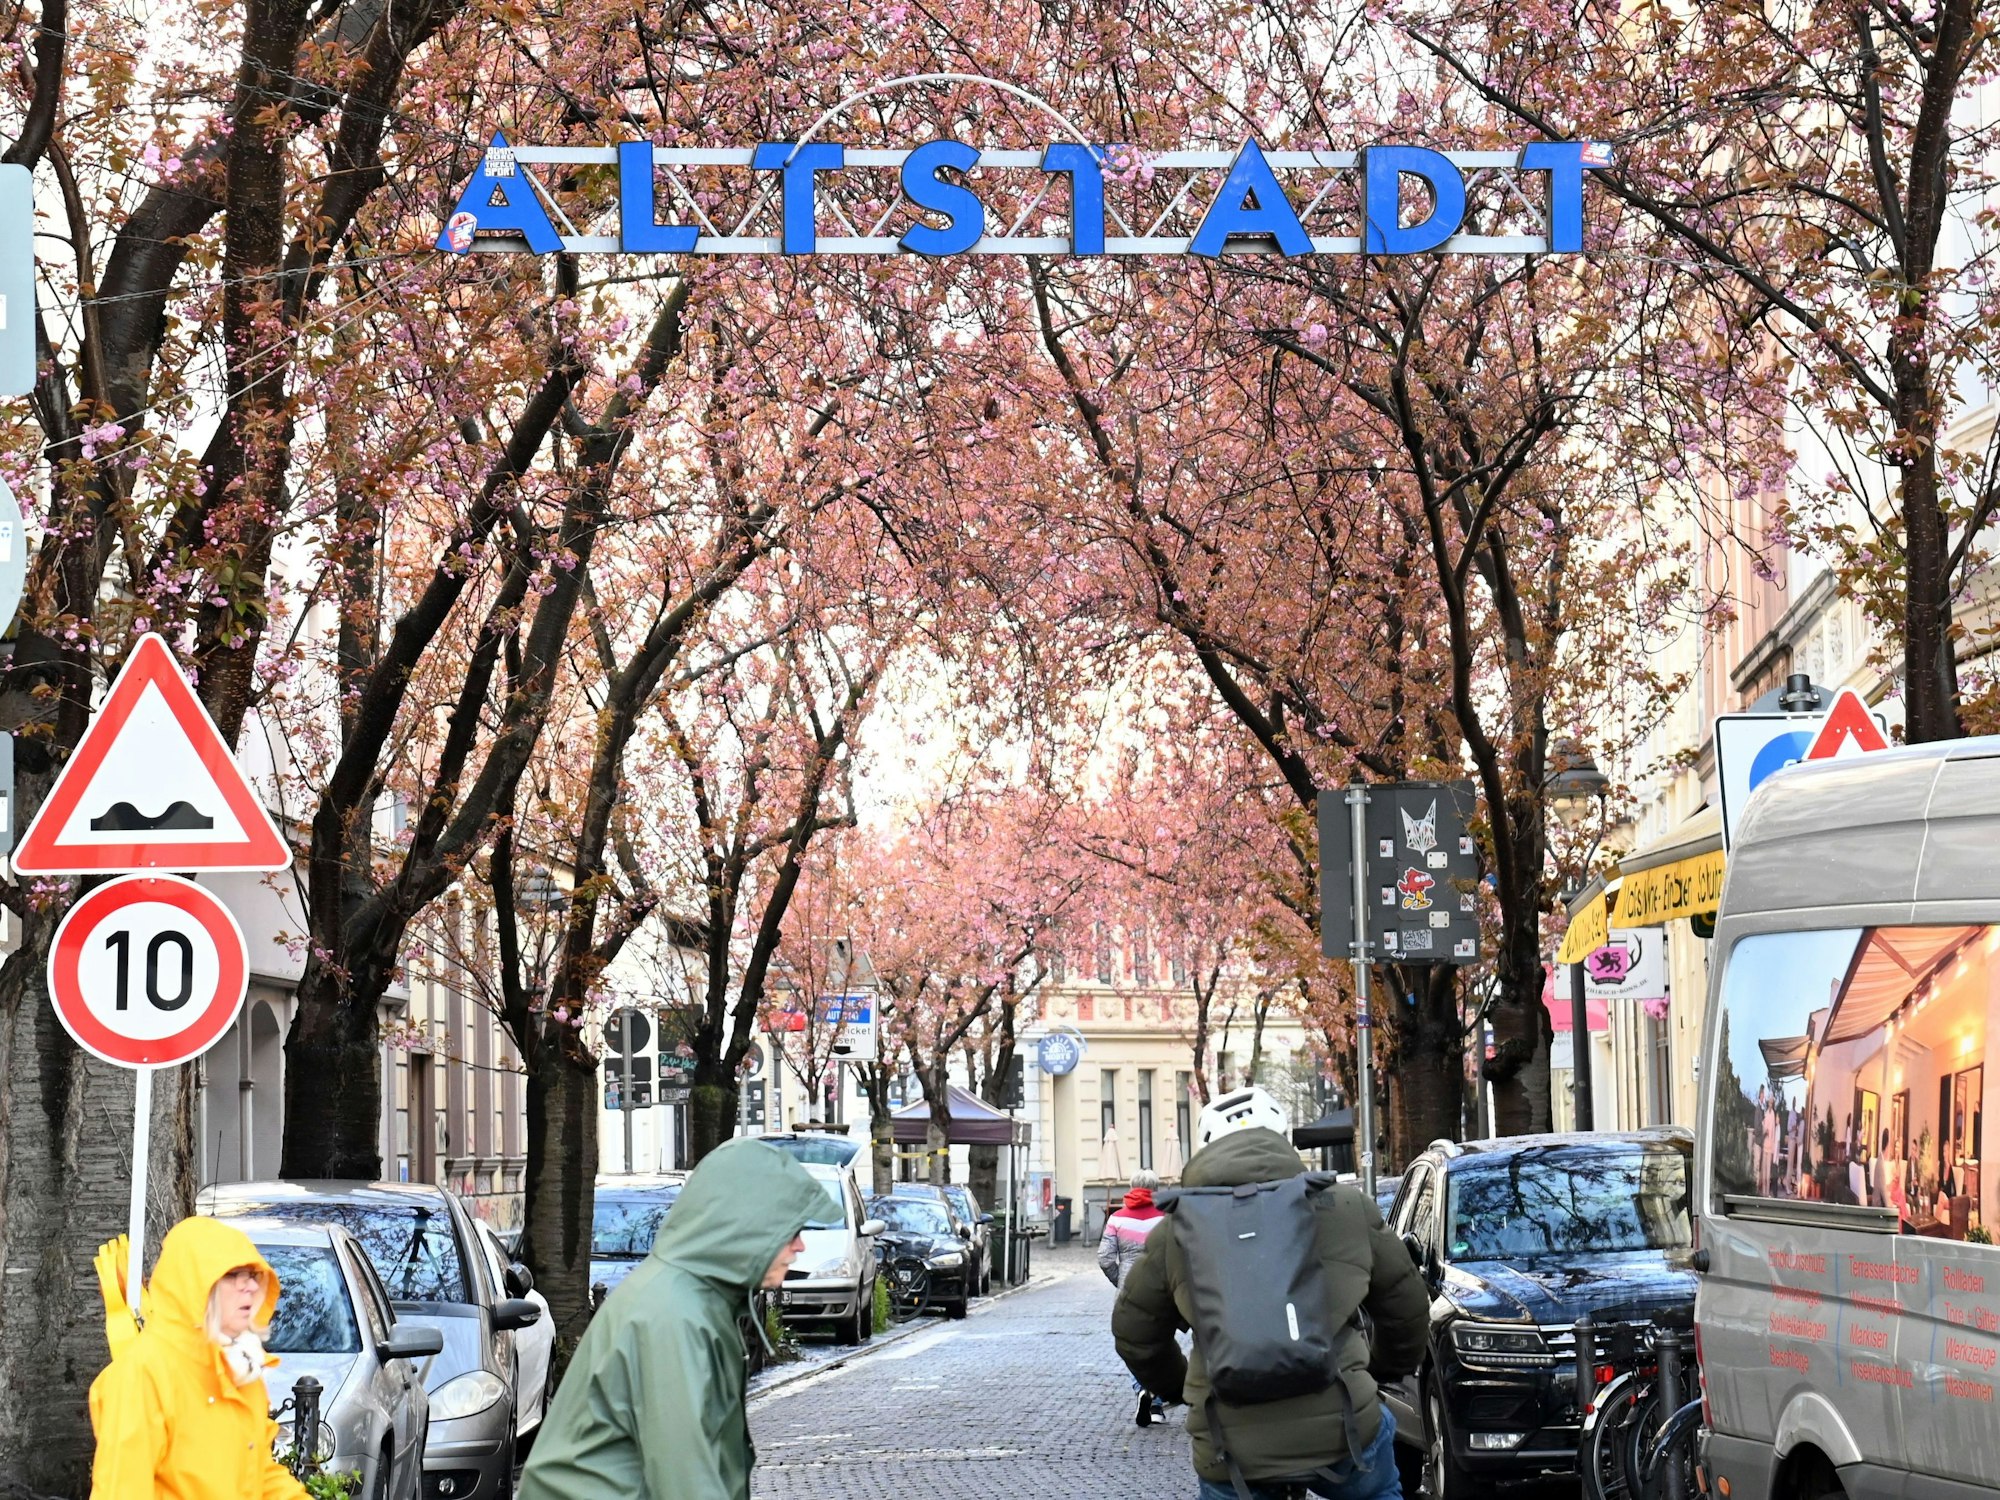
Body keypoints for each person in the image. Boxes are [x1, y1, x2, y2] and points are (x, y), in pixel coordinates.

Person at [1113, 1086, 1429, 1500]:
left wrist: (1177, 1390)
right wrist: (1382, 1368)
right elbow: (1406, 1307)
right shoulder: (1347, 1207)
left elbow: (1134, 1334)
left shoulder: (1177, 1229)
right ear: (1283, 1136)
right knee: (1374, 1478)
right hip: (1344, 1425)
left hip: (1229, 1443)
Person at [520, 1137, 829, 1500]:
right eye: (790, 1231)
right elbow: (686, 1477)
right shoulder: (675, 1315)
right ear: (746, 1227)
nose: (801, 1246)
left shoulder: (689, 1299)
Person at [87, 1216, 309, 1500]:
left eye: (253, 1275)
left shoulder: (239, 1367)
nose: (251, 1286)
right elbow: (122, 1491)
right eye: (232, 1275)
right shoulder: (143, 1374)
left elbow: (260, 1476)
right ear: (193, 1284)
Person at [1098, 1168, 1168, 1427]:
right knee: (1161, 1346)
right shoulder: (1166, 1218)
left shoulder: (1117, 1219)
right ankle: (1157, 1404)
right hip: (1161, 1293)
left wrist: (1121, 1282)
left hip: (1128, 1294)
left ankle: (1141, 1387)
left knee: (1130, 1345)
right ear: (1156, 1189)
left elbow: (1104, 1258)